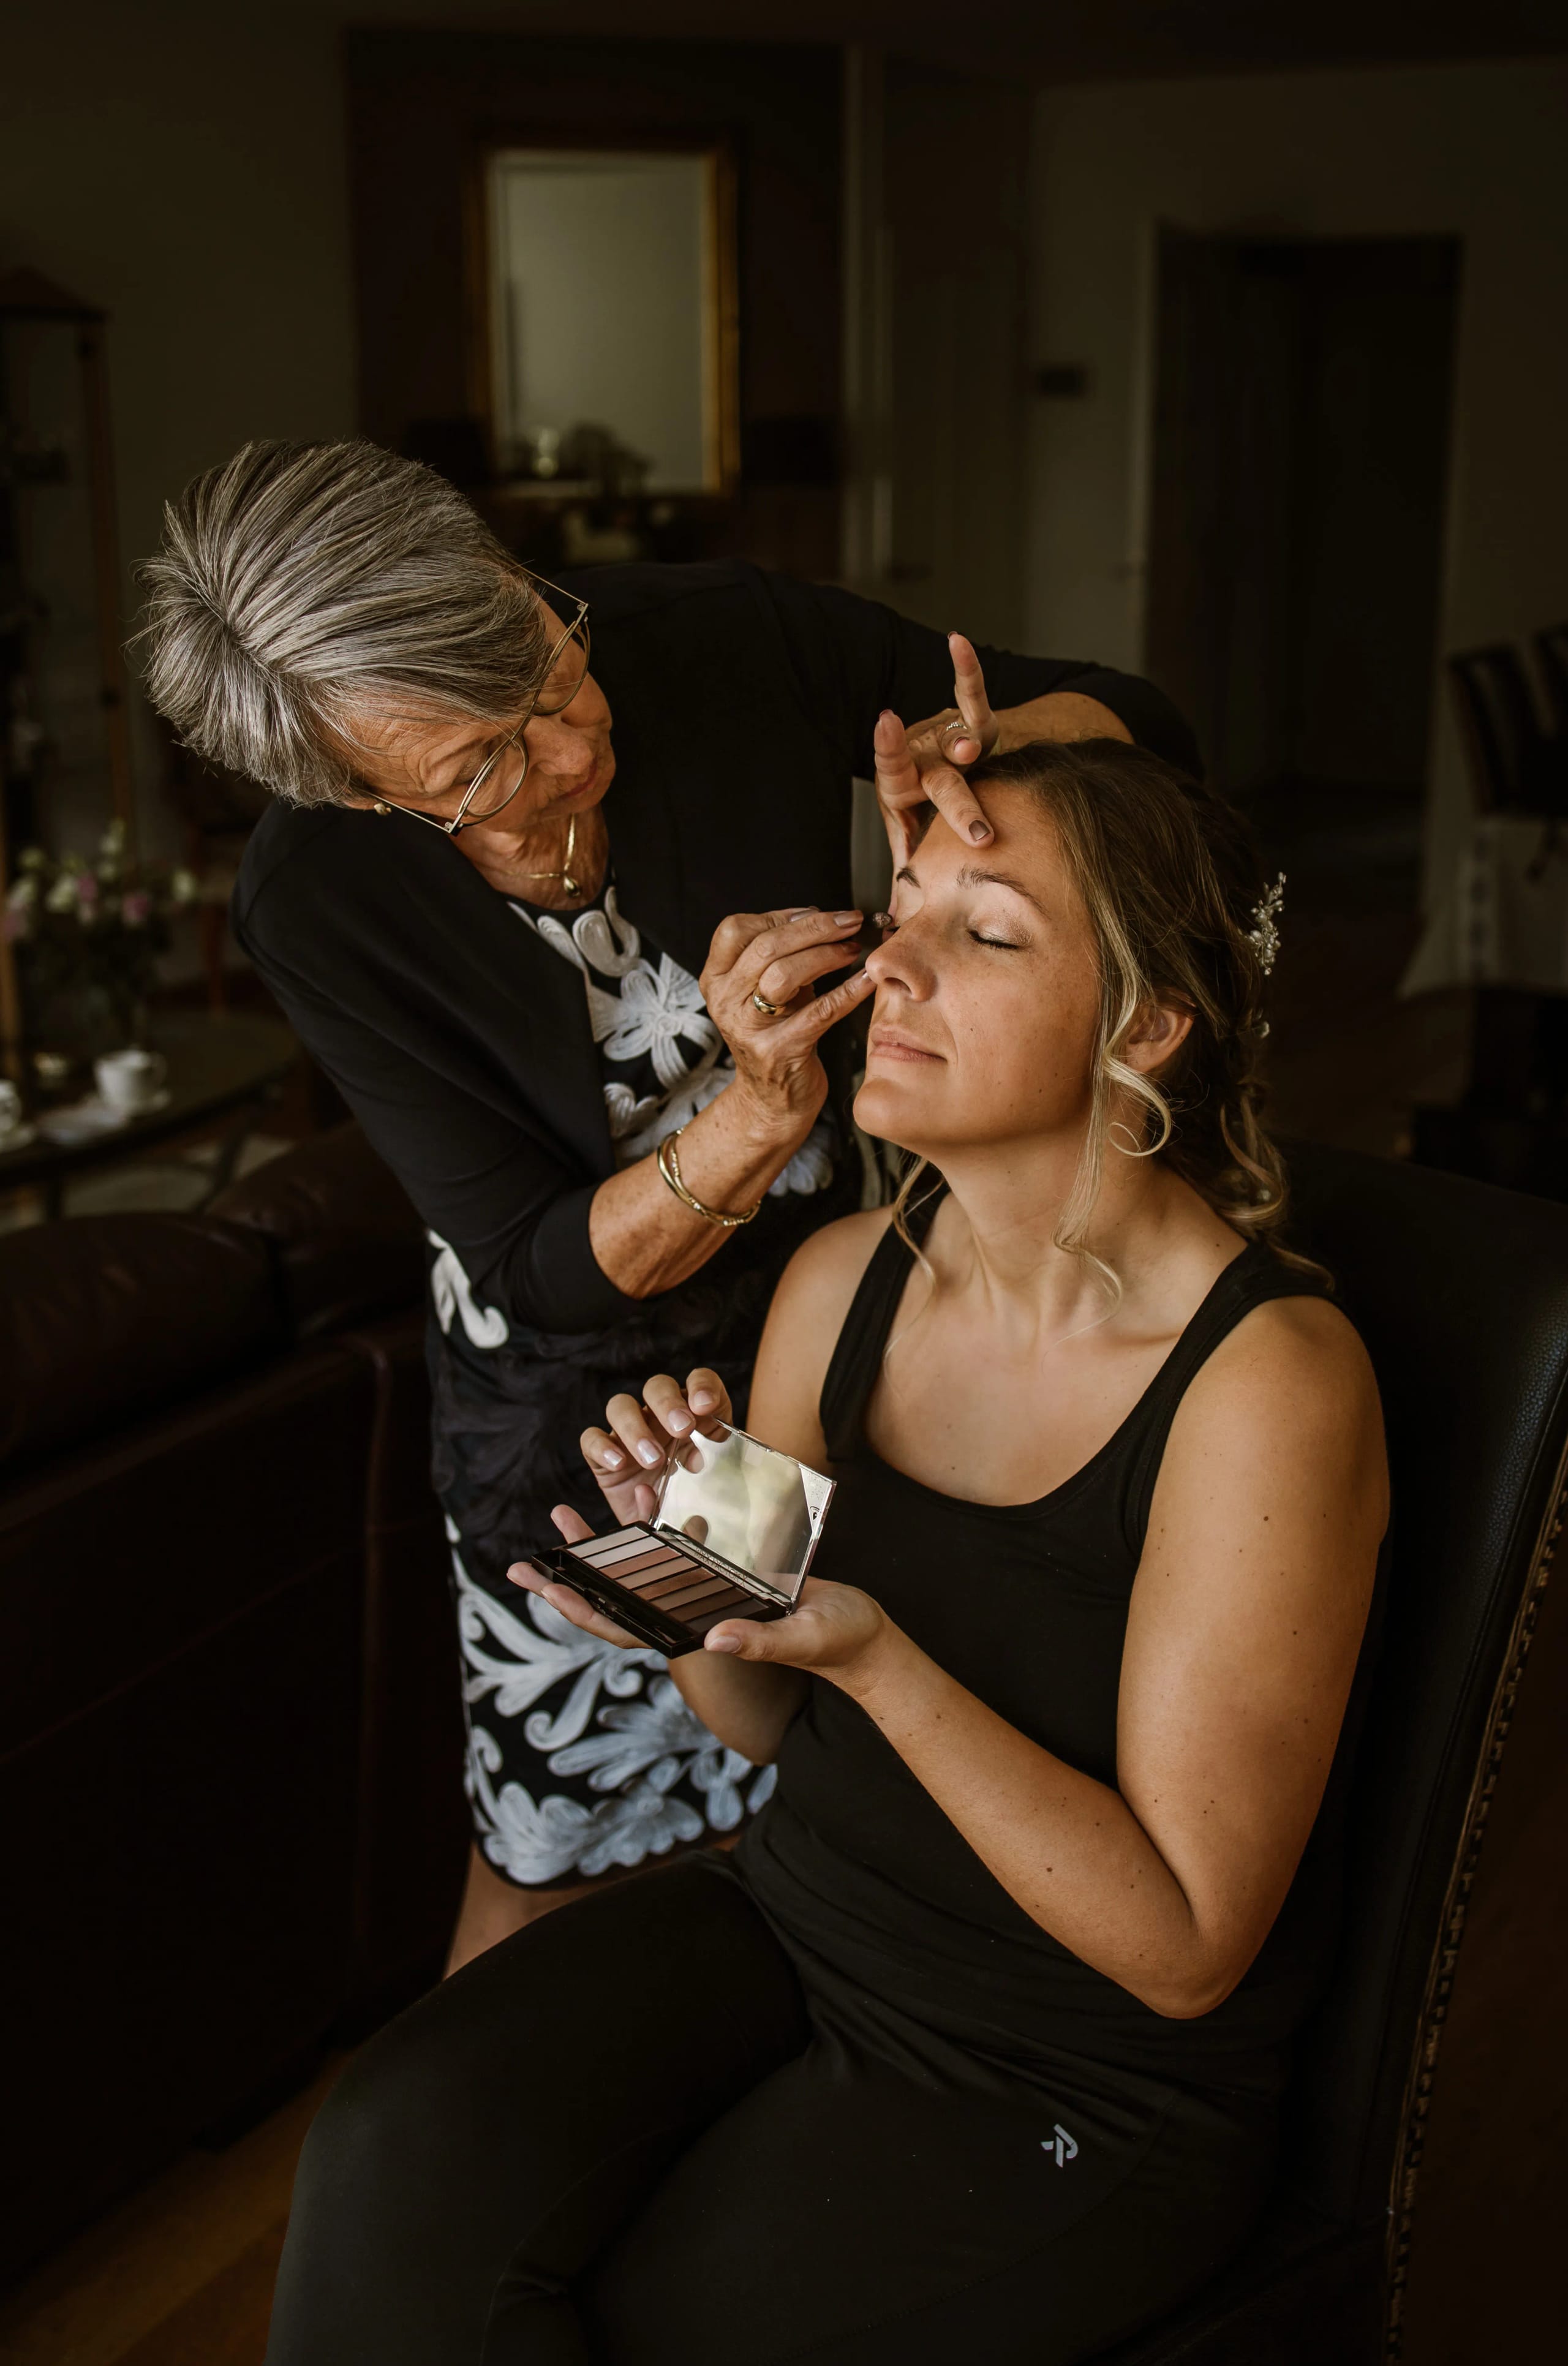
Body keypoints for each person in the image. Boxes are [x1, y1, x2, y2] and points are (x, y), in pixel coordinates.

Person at [262, 734, 1388, 2365]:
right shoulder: (843, 1277)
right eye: (902, 901)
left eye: (982, 930)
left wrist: (872, 1652)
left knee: (643, 2324)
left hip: (1073, 2079)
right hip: (792, 1929)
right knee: (389, 2147)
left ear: (1147, 1025)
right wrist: (687, 1577)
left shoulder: (1265, 1384)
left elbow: (1186, 1950)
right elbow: (757, 1717)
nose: (891, 964)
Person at [137, 439, 1198, 1969]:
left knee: (843, 1788)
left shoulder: (712, 638)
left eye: (548, 666)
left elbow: (1138, 724)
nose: (569, 752)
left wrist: (997, 750)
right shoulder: (321, 902)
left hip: (839, 1328)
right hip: (592, 1412)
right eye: (479, 767)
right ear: (358, 793)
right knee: (561, 1838)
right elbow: (539, 1270)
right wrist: (757, 1111)